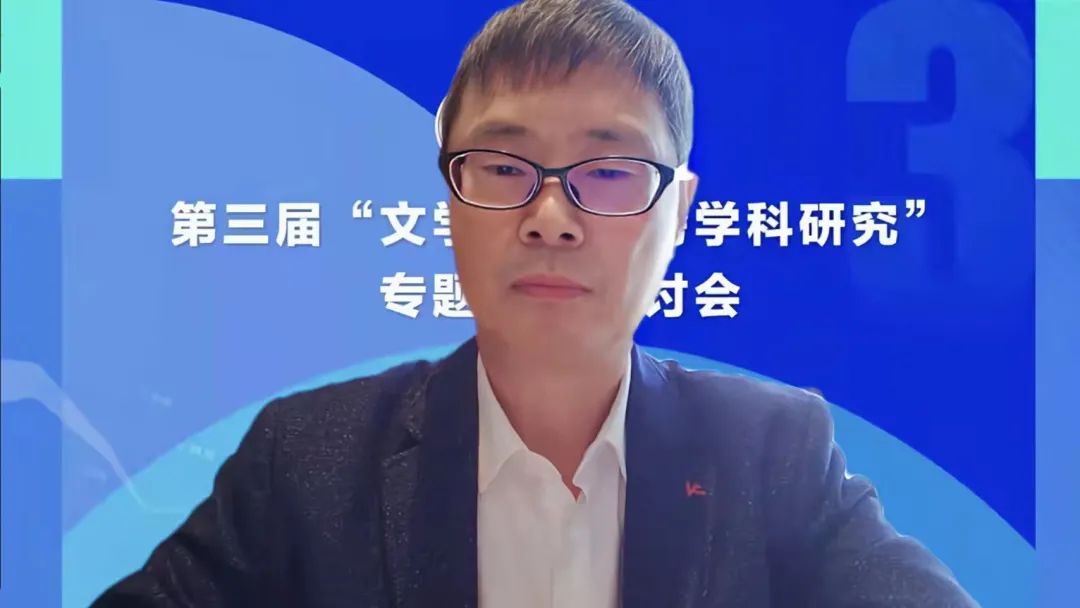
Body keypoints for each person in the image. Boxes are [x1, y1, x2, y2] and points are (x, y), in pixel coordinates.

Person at [93, 0, 978, 606]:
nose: (550, 216)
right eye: (504, 167)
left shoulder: (771, 453)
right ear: (450, 199)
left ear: (680, 212)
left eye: (609, 170)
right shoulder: (307, 461)